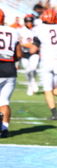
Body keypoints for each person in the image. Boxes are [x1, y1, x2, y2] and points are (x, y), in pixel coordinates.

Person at [30, 8, 57, 121]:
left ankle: (55, 114)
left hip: (46, 62)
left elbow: (33, 49)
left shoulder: (39, 29)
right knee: (55, 88)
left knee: (47, 89)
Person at [0, 9, 22, 138]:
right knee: (4, 101)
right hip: (9, 68)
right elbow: (18, 54)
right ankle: (5, 129)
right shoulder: (13, 31)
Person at [18, 15, 40, 96]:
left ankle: (33, 80)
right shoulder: (21, 30)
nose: (29, 23)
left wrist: (33, 46)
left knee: (33, 68)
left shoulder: (37, 29)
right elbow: (20, 42)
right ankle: (29, 85)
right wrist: (30, 45)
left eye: (30, 21)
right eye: (27, 21)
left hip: (34, 53)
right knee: (27, 71)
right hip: (25, 53)